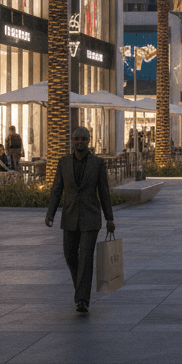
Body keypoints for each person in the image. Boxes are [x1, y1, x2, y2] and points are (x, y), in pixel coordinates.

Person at [45, 126, 116, 313]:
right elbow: (56, 189)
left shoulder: (97, 163)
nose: (80, 142)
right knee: (69, 255)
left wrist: (109, 218)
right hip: (69, 217)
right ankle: (81, 290)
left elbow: (104, 192)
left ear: (89, 141)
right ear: (72, 140)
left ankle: (82, 299)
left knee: (85, 258)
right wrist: (50, 213)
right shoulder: (63, 162)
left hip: (90, 218)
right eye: (77, 139)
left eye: (83, 139)